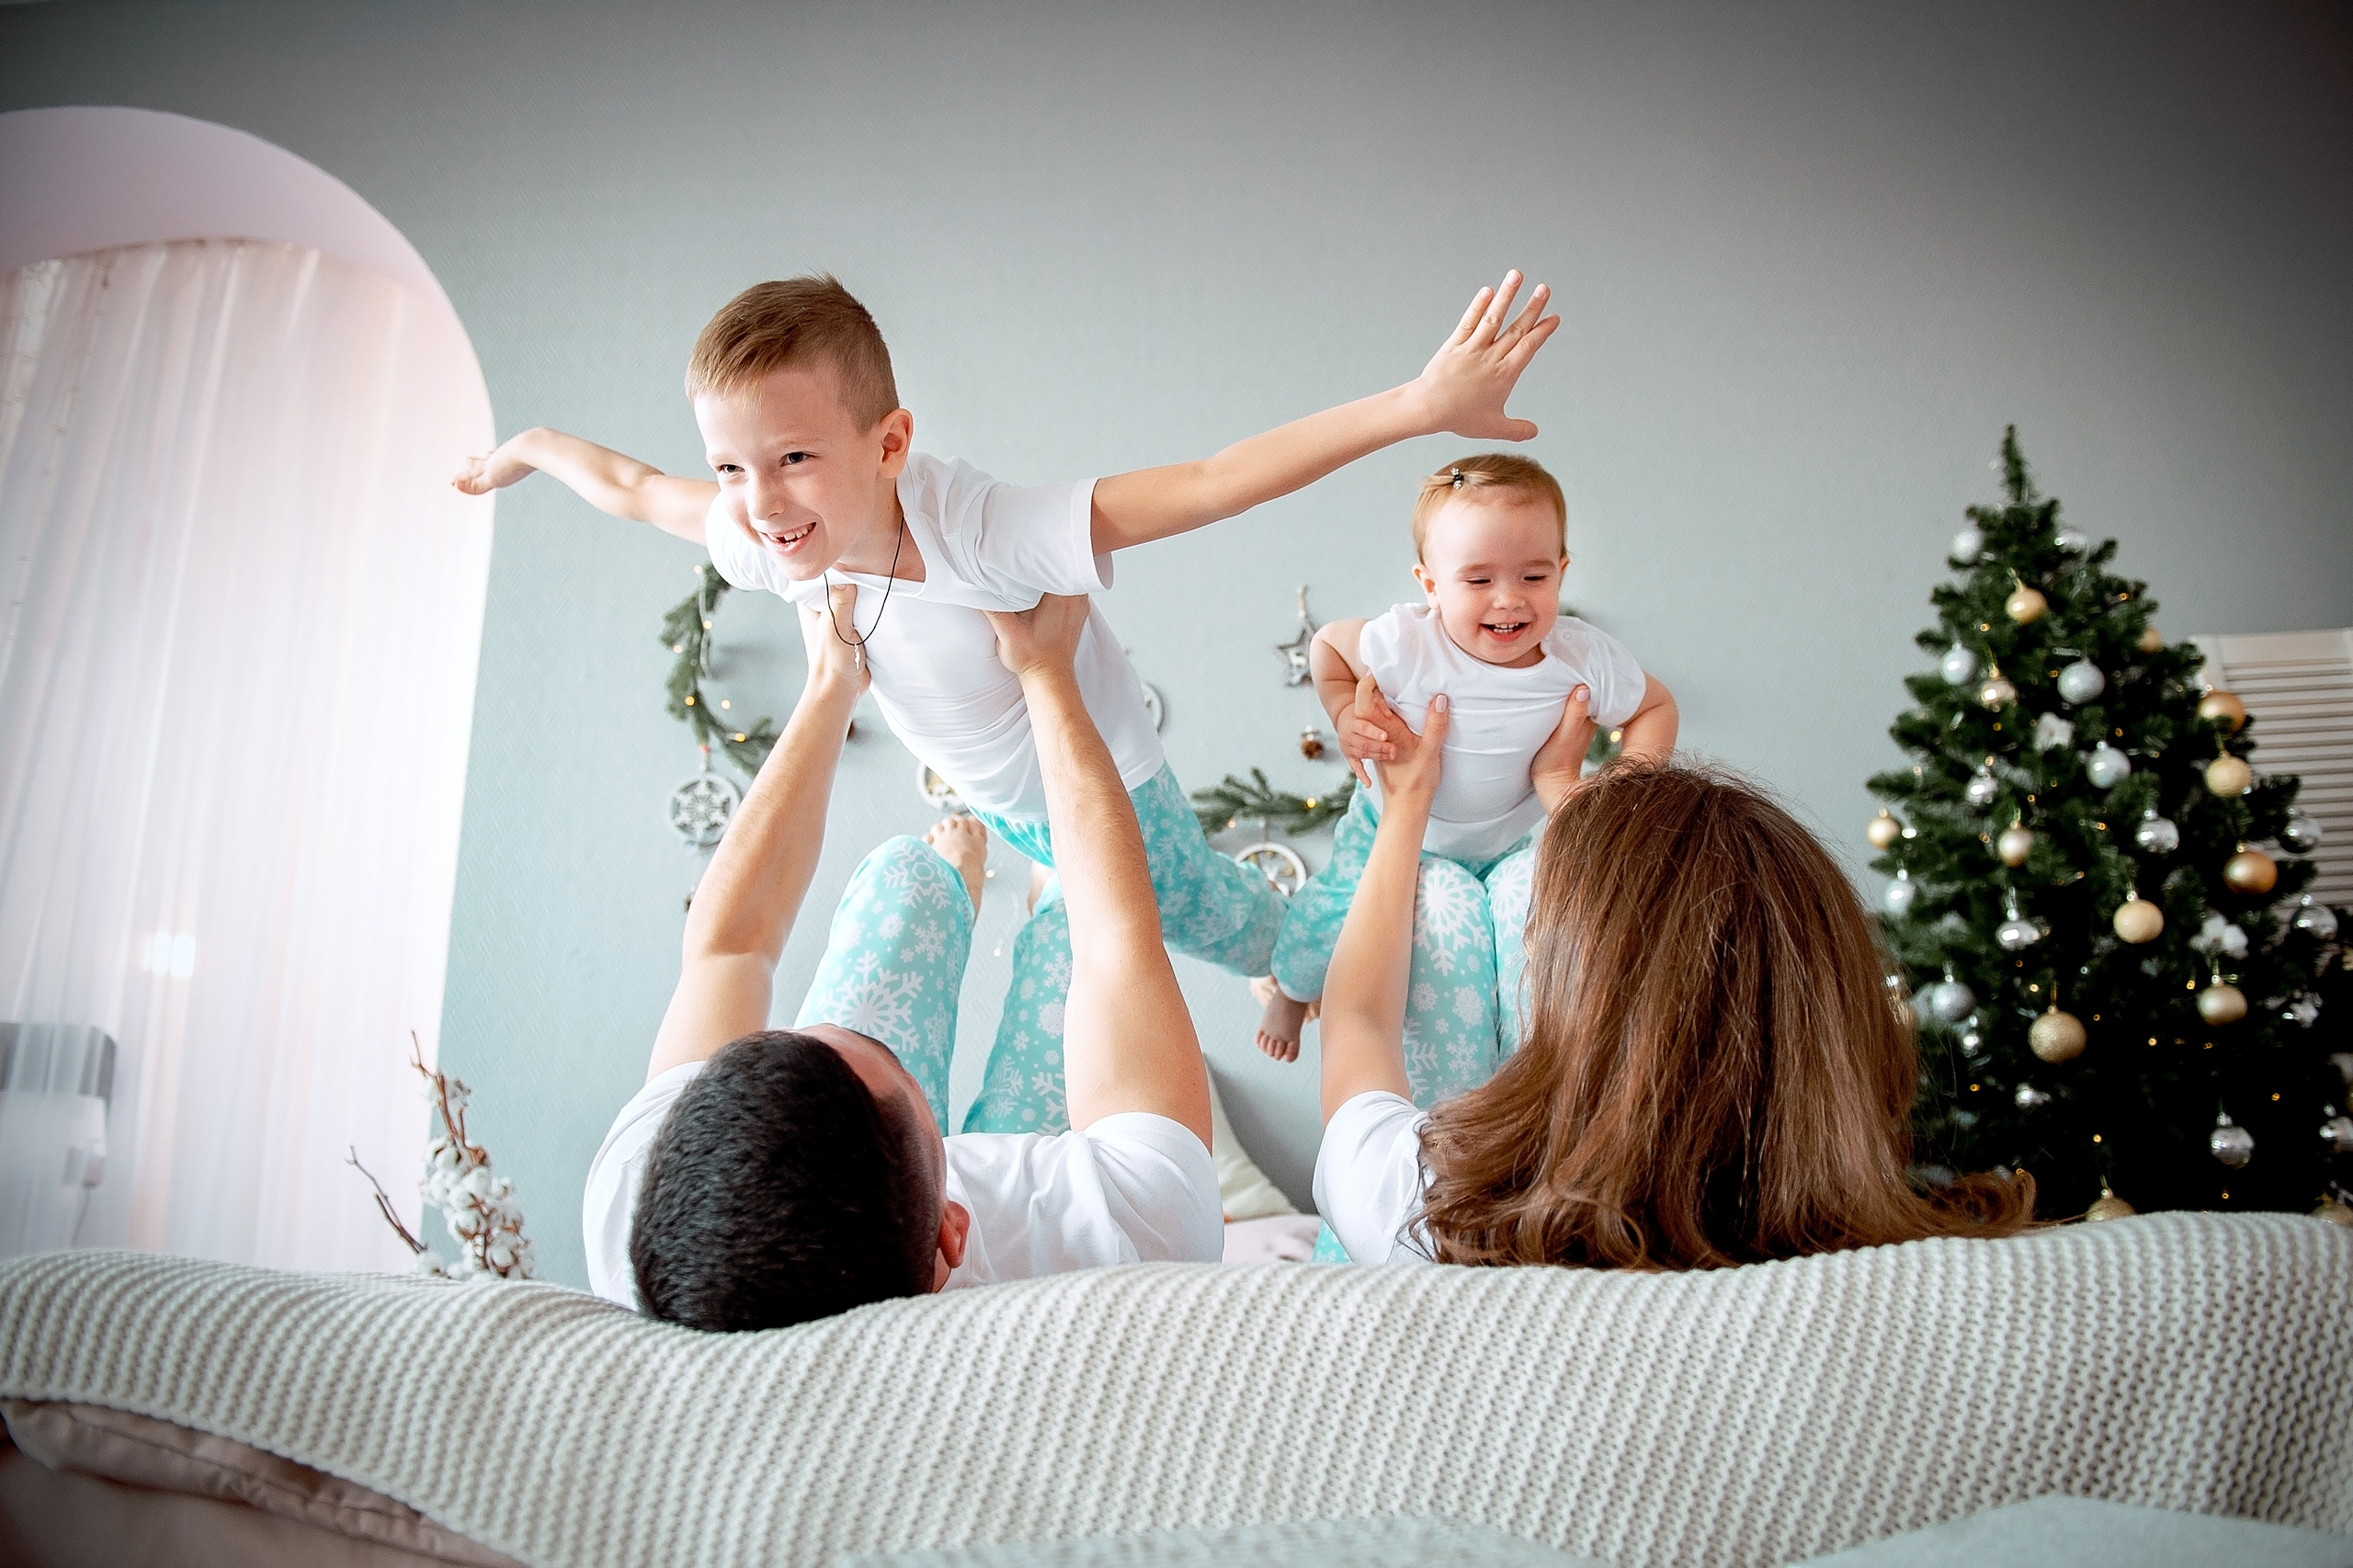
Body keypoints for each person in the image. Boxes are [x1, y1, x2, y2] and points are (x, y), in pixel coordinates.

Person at [455, 269, 1558, 1133]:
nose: (759, 501)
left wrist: (1419, 406)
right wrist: (529, 447)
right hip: (1002, 798)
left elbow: (1210, 481)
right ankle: (1122, 912)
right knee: (1076, 920)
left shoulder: (979, 530)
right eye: (734, 467)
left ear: (890, 443)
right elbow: (640, 489)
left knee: (1209, 914)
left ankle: (1297, 957)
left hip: (1105, 791)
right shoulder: (768, 537)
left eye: (791, 457)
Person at [582, 589, 1223, 1329]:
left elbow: (731, 947)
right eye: (890, 1060)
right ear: (954, 1233)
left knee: (907, 876)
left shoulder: (637, 1205)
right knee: (1071, 935)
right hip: (1011, 1218)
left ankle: (955, 882)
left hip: (883, 1216)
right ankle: (1038, 900)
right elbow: (1120, 944)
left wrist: (830, 686)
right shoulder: (1130, 1234)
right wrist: (1047, 675)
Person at [1311, 691, 2036, 1267]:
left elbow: (1358, 1020)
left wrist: (1406, 804)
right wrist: (1568, 797)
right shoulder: (1914, 1263)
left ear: (1584, 1000)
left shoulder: (1426, 1214)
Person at [1254, 452, 1678, 1076]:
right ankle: (1291, 995)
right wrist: (1345, 714)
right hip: (1390, 832)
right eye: (1478, 581)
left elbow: (1657, 707)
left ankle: (1524, 1063)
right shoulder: (1406, 645)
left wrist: (1620, 790)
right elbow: (1327, 649)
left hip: (1514, 837)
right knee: (1330, 914)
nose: (1509, 601)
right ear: (1430, 584)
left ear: (1562, 572)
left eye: (1534, 578)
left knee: (1544, 926)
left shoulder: (1581, 657)